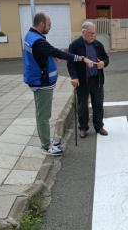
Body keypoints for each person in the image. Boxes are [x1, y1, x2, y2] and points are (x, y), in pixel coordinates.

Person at [23, 13, 94, 155]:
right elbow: (59, 53)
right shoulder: (39, 41)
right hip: (41, 82)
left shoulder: (29, 36)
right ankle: (46, 146)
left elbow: (42, 53)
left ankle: (46, 141)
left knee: (41, 114)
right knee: (44, 115)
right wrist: (82, 58)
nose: (50, 27)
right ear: (42, 24)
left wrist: (50, 54)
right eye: (49, 24)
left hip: (37, 80)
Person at [67, 21, 109, 138]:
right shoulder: (75, 45)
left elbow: (106, 58)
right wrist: (74, 77)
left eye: (94, 33)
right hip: (83, 81)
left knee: (98, 104)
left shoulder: (98, 45)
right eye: (91, 33)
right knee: (82, 106)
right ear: (83, 32)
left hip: (97, 79)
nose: (93, 36)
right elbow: (70, 63)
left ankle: (99, 126)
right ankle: (83, 128)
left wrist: (103, 63)